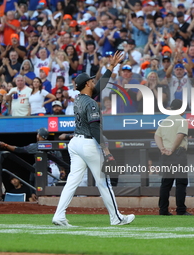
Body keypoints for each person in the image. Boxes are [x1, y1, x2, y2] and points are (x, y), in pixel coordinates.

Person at [52, 51, 135, 226]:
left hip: (75, 143)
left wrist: (111, 67)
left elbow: (99, 87)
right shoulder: (90, 103)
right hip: (89, 142)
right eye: (91, 80)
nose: (93, 81)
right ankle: (116, 218)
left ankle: (59, 215)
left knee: (72, 181)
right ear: (87, 83)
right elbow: (95, 127)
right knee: (104, 182)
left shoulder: (79, 99)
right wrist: (105, 149)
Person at [154, 99, 192, 216]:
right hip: (178, 154)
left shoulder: (165, 121)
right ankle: (181, 210)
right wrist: (172, 149)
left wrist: (162, 149)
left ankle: (163, 210)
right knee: (181, 183)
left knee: (166, 183)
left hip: (166, 155)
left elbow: (156, 135)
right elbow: (180, 136)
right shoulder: (182, 120)